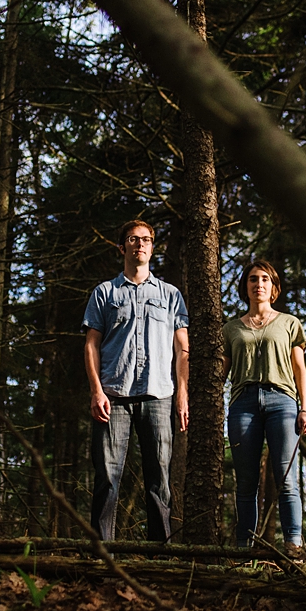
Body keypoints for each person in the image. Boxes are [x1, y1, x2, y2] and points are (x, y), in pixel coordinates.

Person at [83, 219, 190, 542]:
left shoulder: (171, 295)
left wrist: (182, 396)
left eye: (146, 239)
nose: (140, 244)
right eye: (133, 239)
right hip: (113, 397)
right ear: (122, 247)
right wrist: (96, 391)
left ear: (152, 247)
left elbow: (183, 350)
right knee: (107, 479)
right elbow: (91, 344)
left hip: (159, 397)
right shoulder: (105, 292)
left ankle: (161, 555)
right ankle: (103, 554)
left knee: (159, 480)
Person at [223, 259, 306, 559]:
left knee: (286, 477)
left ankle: (294, 545)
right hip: (242, 404)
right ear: (245, 287)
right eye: (252, 279)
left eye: (264, 279)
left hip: (282, 402)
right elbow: (221, 371)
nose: (258, 284)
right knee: (246, 481)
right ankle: (243, 548)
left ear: (273, 288)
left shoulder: (289, 323)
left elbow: (299, 367)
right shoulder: (231, 328)